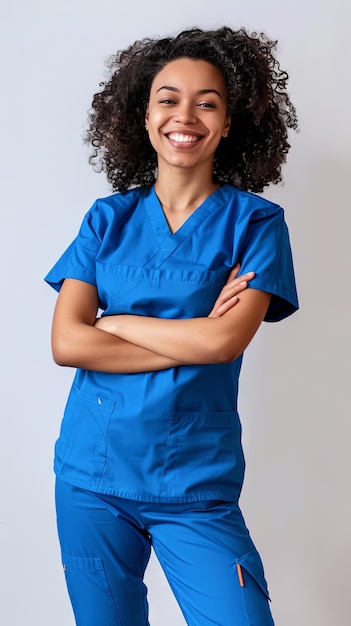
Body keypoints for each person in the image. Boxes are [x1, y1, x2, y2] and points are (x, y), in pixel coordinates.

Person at [45, 26, 299, 626]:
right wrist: (192, 338)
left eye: (207, 102)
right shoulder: (107, 219)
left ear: (231, 122)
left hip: (195, 486)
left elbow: (222, 341)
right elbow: (67, 342)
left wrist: (120, 321)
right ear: (143, 114)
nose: (185, 115)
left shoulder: (256, 224)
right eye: (168, 98)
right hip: (92, 477)